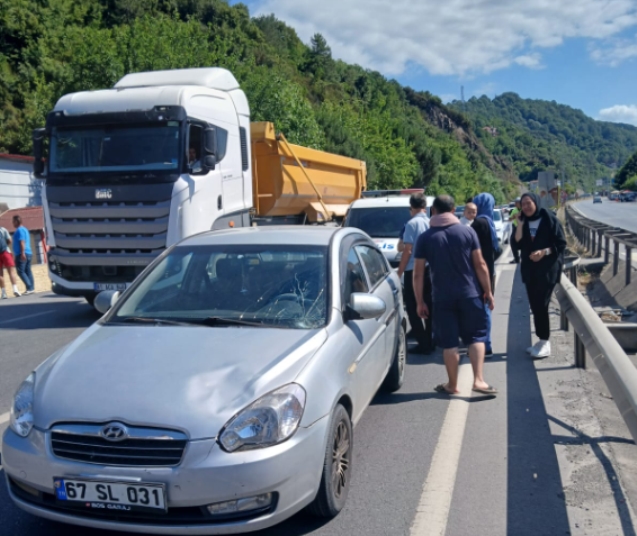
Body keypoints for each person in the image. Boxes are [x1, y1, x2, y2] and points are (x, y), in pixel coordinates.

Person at [414, 195, 496, 395]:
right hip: (471, 294)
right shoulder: (467, 232)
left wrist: (419, 302)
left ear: (433, 211)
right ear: (453, 211)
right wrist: (488, 292)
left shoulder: (425, 238)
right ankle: (479, 381)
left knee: (449, 343)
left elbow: (418, 274)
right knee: (476, 337)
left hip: (442, 298)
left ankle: (452, 385)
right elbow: (481, 265)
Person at [514, 192, 566, 359]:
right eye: (523, 204)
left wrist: (544, 251)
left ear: (536, 202)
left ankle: (545, 342)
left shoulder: (549, 218)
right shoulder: (524, 222)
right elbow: (516, 243)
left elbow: (560, 242)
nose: (527, 207)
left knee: (541, 304)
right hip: (530, 271)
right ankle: (541, 340)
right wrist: (520, 225)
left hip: (547, 270)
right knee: (535, 305)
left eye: (529, 203)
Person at [397, 193, 434, 354]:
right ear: (424, 206)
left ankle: (423, 343)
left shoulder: (411, 224)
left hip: (413, 271)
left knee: (413, 308)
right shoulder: (431, 222)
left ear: (411, 207)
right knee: (430, 306)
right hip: (430, 270)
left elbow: (407, 250)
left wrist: (399, 272)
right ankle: (430, 340)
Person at [471, 193, 498, 356]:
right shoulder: (489, 222)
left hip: (479, 271)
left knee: (481, 308)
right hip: (489, 270)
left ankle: (484, 344)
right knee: (486, 304)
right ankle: (485, 342)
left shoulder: (479, 223)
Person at [12, 215, 35, 294]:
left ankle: (29, 287)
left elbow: (22, 241)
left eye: (13, 221)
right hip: (28, 252)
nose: (12, 223)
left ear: (16, 221)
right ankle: (31, 288)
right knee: (28, 271)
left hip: (22, 253)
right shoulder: (25, 229)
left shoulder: (19, 230)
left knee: (20, 271)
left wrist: (22, 253)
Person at [0, 225, 21, 298]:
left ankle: (3, 293)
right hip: (5, 252)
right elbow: (10, 240)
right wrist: (6, 245)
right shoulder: (3, 229)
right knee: (11, 271)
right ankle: (15, 289)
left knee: (0, 274)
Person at [509, 198, 522, 263]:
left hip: (523, 228)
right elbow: (510, 219)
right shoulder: (514, 210)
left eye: (516, 203)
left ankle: (523, 256)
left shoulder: (524, 209)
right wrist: (514, 216)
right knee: (512, 242)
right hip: (515, 227)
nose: (515, 204)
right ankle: (516, 258)